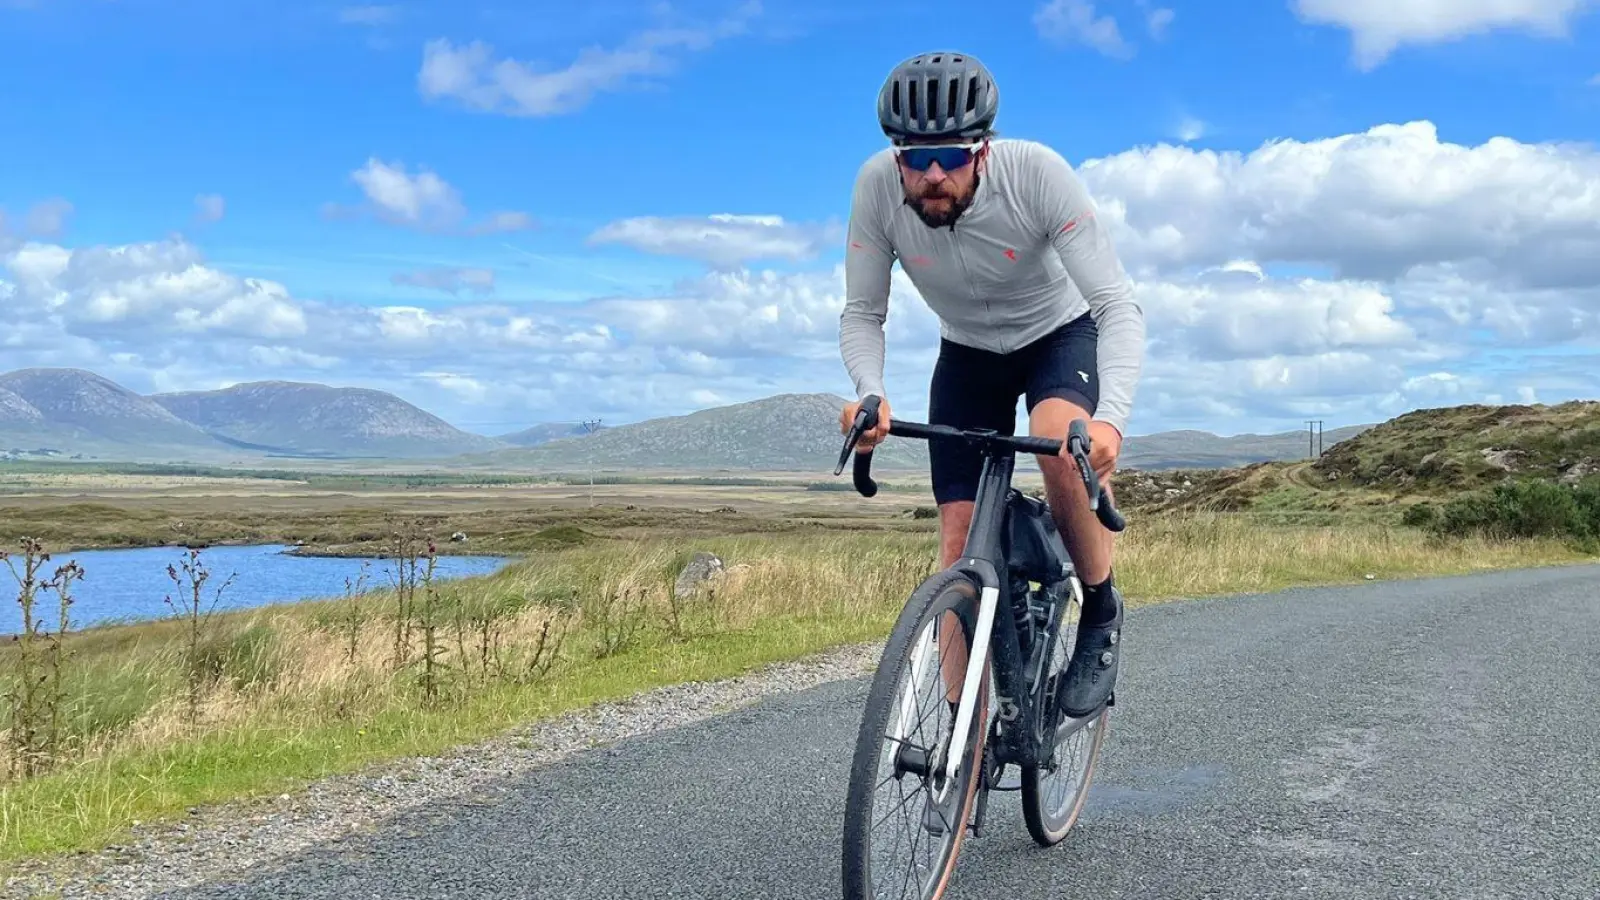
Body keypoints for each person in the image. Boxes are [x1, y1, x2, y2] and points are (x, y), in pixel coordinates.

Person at [837, 51, 1145, 723]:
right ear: (897, 160)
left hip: (1056, 337)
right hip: (968, 354)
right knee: (954, 548)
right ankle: (962, 742)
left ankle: (1099, 607)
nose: (934, 174)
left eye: (950, 154)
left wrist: (1110, 423)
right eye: (916, 159)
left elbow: (1117, 306)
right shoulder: (874, 191)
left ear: (983, 149)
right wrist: (872, 391)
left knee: (1059, 445)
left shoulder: (1037, 175)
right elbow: (863, 313)